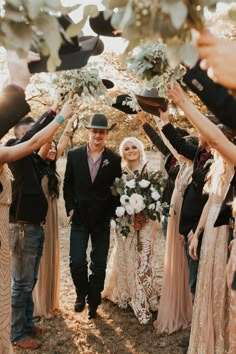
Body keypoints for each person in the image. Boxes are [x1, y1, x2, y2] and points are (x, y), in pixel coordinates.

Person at [0, 53, 73, 352]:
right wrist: (59, 116)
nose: (23, 131)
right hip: (20, 228)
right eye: (19, 128)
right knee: (19, 283)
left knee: (27, 282)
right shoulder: (14, 150)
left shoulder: (31, 160)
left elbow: (38, 143)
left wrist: (55, 109)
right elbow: (32, 138)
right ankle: (17, 334)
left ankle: (27, 323)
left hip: (33, 227)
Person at [63, 113, 121, 320]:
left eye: (102, 132)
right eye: (95, 131)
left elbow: (116, 190)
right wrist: (69, 207)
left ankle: (93, 302)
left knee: (98, 264)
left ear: (106, 134)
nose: (98, 135)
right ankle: (81, 293)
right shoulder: (73, 155)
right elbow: (67, 184)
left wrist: (114, 214)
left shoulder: (114, 160)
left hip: (101, 220)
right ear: (89, 132)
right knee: (76, 261)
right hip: (78, 217)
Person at [103, 137, 160, 324]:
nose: (131, 150)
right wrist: (129, 211)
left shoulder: (149, 171)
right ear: (122, 152)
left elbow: (156, 197)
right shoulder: (119, 173)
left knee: (144, 258)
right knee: (127, 257)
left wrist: (145, 212)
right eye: (126, 148)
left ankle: (146, 296)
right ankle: (132, 295)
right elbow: (114, 198)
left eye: (134, 146)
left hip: (145, 223)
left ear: (140, 148)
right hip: (125, 222)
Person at [33, 113, 77, 318]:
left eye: (54, 148)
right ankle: (39, 305)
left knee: (50, 257)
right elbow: (47, 140)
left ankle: (50, 302)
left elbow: (65, 137)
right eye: (49, 147)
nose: (52, 150)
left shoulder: (51, 165)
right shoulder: (37, 165)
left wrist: (72, 118)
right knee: (41, 259)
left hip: (53, 218)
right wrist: (58, 114)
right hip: (40, 217)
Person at [137, 110, 189, 237]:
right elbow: (155, 139)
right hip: (169, 204)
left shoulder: (190, 158)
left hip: (184, 207)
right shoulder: (169, 154)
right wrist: (143, 120)